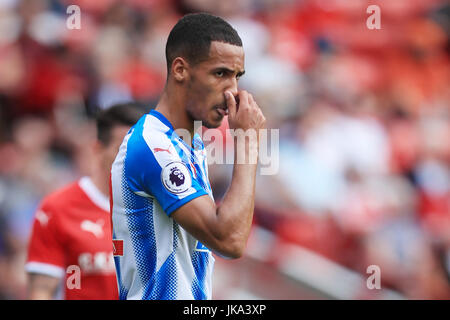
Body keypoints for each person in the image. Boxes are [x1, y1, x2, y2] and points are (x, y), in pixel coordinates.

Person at [111, 12, 266, 300]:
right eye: (220, 73)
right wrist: (248, 142)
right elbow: (229, 240)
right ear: (180, 69)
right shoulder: (153, 145)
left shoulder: (189, 144)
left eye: (237, 77)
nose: (232, 91)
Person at [25, 103, 145, 300]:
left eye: (140, 150)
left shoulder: (160, 208)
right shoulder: (57, 208)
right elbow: (41, 290)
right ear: (98, 149)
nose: (132, 158)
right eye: (122, 149)